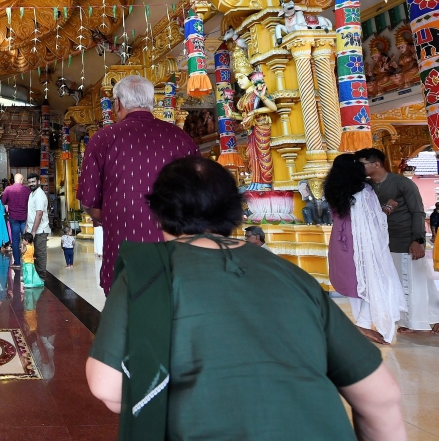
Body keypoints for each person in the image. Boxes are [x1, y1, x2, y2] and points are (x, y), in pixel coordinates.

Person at [85, 156, 406, 440]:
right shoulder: (291, 275)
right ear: (236, 209)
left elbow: (107, 387)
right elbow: (382, 396)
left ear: (157, 212)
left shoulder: (147, 272)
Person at [76, 74, 199, 295]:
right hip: (175, 253)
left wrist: (118, 215)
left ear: (118, 104)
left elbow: (88, 200)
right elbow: (199, 196)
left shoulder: (103, 139)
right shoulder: (182, 139)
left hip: (124, 253)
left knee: (126, 316)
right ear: (152, 103)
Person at [324, 153, 405, 345]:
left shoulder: (332, 190)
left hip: (340, 242)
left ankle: (363, 323)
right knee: (375, 279)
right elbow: (375, 220)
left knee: (355, 284)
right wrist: (388, 208)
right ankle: (363, 323)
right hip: (361, 243)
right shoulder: (364, 190)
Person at [357, 147, 439, 334]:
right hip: (386, 243)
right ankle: (415, 320)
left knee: (416, 281)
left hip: (408, 240)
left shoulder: (402, 183)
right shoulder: (367, 187)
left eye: (362, 164)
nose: (359, 168)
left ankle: (418, 321)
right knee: (402, 283)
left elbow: (417, 211)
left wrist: (418, 240)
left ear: (376, 164)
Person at [1, 173, 31, 267]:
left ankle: (17, 262)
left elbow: (3, 201)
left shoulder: (8, 189)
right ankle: (27, 261)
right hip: (24, 218)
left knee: (15, 240)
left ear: (14, 180)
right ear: (22, 180)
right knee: (26, 239)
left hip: (13, 217)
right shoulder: (26, 190)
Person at [25, 174, 51, 279]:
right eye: (29, 182)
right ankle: (36, 276)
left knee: (40, 254)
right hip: (32, 229)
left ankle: (41, 277)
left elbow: (39, 214)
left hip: (40, 230)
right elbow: (30, 212)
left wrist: (34, 231)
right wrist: (26, 226)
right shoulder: (32, 194)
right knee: (33, 252)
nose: (31, 184)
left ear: (38, 182)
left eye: (33, 182)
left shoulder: (39, 195)